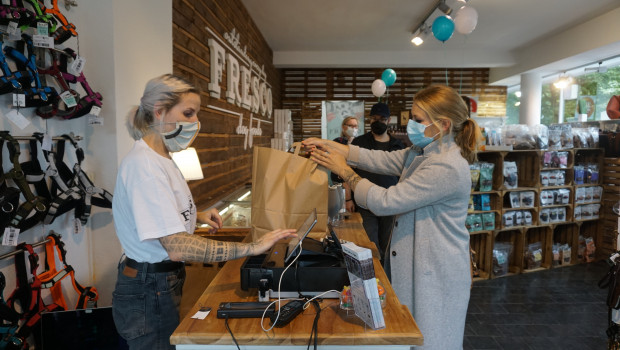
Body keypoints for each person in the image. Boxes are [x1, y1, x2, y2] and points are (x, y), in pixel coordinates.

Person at [111, 74, 296, 350]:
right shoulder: (144, 167)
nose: (195, 123)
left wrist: (196, 215)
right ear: (159, 111)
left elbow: (158, 212)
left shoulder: (162, 158)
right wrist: (254, 248)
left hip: (160, 282)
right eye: (188, 113)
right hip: (149, 288)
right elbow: (177, 247)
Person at [302, 85, 480, 350]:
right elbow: (377, 159)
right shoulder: (423, 152)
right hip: (422, 262)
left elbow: (386, 201)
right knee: (412, 335)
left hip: (436, 269)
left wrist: (345, 172)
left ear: (443, 124)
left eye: (418, 120)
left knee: (431, 340)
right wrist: (329, 146)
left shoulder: (446, 165)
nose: (411, 125)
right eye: (412, 117)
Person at [350, 102, 404, 264]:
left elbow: (403, 176)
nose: (377, 122)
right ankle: (373, 279)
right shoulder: (359, 143)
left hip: (391, 202)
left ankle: (386, 278)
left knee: (388, 244)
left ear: (388, 121)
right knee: (369, 244)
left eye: (382, 119)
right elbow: (348, 171)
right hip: (365, 201)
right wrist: (348, 198)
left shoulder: (397, 146)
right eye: (374, 118)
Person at [331, 116, 359, 213]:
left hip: (355, 184)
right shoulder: (338, 142)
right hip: (339, 182)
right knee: (341, 212)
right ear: (344, 127)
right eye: (350, 126)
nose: (353, 128)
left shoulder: (360, 143)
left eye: (355, 126)